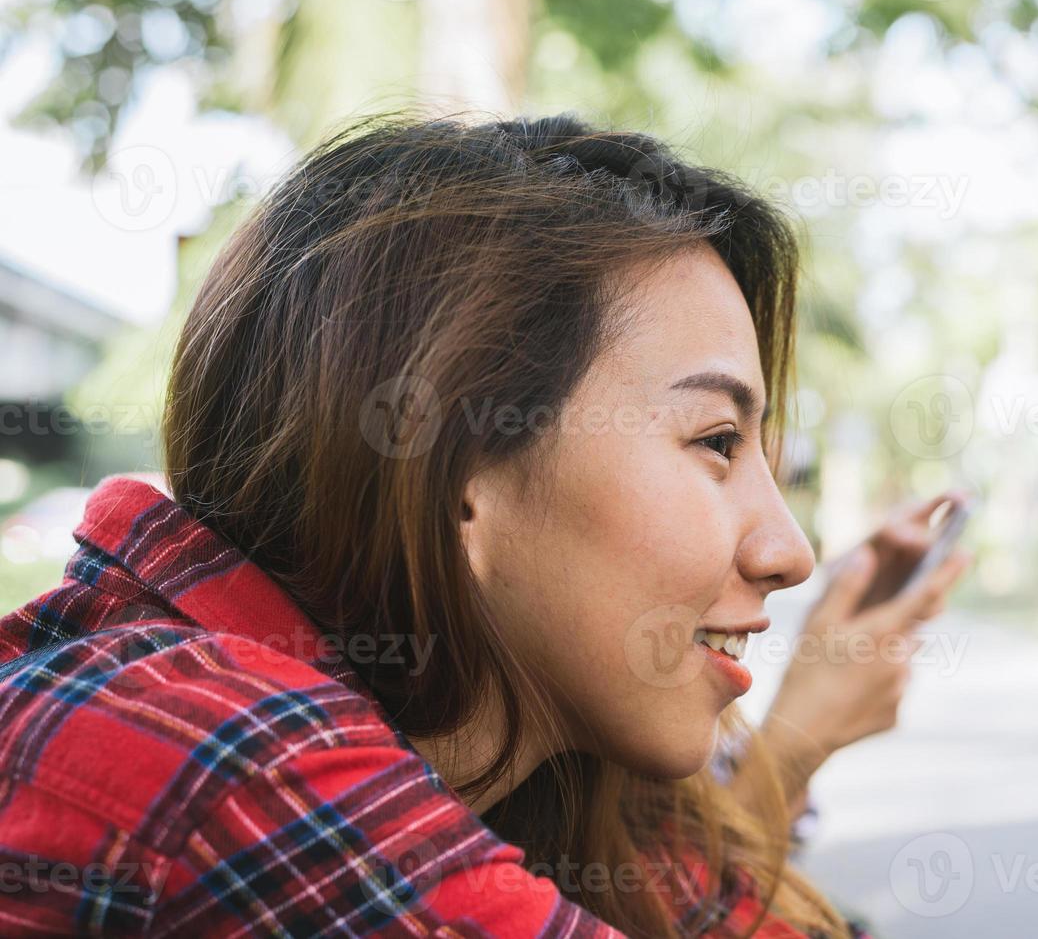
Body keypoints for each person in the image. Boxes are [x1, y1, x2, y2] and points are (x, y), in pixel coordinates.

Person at [0, 113, 972, 936]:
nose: (788, 550)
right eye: (715, 439)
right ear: (456, 470)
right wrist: (790, 746)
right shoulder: (216, 751)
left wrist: (791, 741)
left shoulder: (521, 762)